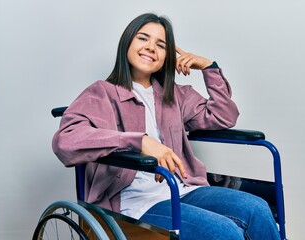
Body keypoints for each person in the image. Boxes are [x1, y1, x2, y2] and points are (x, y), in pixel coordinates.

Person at [52, 13, 280, 240]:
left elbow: (225, 116)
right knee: (224, 232)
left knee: (257, 208)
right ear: (127, 43)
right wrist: (140, 141)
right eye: (143, 38)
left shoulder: (175, 96)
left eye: (160, 44)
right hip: (132, 201)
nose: (151, 47)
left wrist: (209, 68)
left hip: (183, 189)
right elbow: (65, 141)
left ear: (167, 56)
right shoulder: (102, 93)